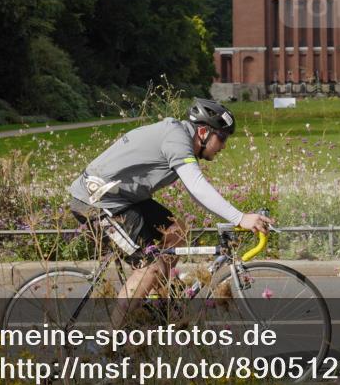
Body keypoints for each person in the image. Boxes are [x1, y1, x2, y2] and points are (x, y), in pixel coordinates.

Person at [67, 98, 273, 326]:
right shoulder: (177, 139)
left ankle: (157, 301)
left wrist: (236, 216)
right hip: (96, 201)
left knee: (177, 231)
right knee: (150, 268)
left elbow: (195, 192)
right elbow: (197, 186)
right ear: (203, 132)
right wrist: (240, 218)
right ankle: (108, 343)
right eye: (222, 137)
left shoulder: (179, 137)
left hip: (124, 198)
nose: (223, 145)